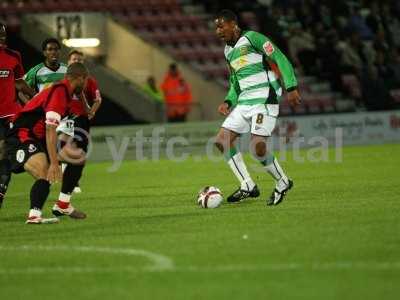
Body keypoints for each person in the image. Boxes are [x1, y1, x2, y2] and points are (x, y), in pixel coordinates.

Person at [213, 10, 301, 206]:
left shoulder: (252, 38)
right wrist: (228, 101)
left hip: (264, 99)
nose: (218, 31)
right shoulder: (227, 52)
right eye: (216, 28)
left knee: (257, 147)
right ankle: (247, 185)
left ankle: (282, 181)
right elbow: (235, 81)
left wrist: (291, 86)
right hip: (244, 102)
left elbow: (279, 57)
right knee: (222, 140)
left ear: (233, 25)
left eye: (221, 26)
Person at [6, 62, 89, 224]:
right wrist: (54, 163)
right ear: (80, 78)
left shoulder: (65, 92)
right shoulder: (59, 92)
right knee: (44, 172)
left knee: (77, 157)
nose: (86, 85)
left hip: (39, 137)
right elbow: (51, 129)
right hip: (22, 134)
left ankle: (63, 205)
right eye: (85, 81)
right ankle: (34, 216)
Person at [51, 50, 102, 219]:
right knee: (70, 155)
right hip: (62, 122)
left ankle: (61, 202)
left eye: (79, 59)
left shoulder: (85, 82)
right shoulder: (60, 85)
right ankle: (52, 205)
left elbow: (94, 99)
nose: (76, 61)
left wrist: (89, 111)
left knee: (78, 157)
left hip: (79, 121)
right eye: (74, 59)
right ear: (69, 61)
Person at [0, 22, 35, 208]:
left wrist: (37, 99)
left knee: (5, 154)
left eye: (4, 34)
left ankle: (1, 190)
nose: (2, 37)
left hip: (10, 115)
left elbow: (20, 83)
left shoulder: (14, 56)